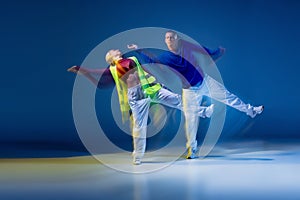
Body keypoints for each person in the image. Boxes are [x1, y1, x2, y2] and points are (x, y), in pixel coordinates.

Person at [128, 30, 264, 159]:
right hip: (189, 91)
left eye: (172, 37)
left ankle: (251, 111)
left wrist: (216, 52)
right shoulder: (166, 57)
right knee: (191, 121)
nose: (169, 40)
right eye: (167, 38)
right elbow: (152, 60)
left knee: (229, 97)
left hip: (205, 82)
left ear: (177, 39)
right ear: (165, 41)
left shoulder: (186, 46)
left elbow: (202, 49)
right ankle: (192, 150)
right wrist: (138, 49)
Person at [68, 49, 214, 165]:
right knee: (139, 126)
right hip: (135, 97)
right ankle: (137, 155)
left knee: (178, 100)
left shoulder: (131, 59)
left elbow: (142, 70)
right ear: (110, 58)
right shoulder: (112, 69)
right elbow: (98, 78)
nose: (115, 49)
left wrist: (154, 79)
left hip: (149, 88)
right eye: (112, 51)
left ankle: (204, 112)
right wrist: (81, 70)